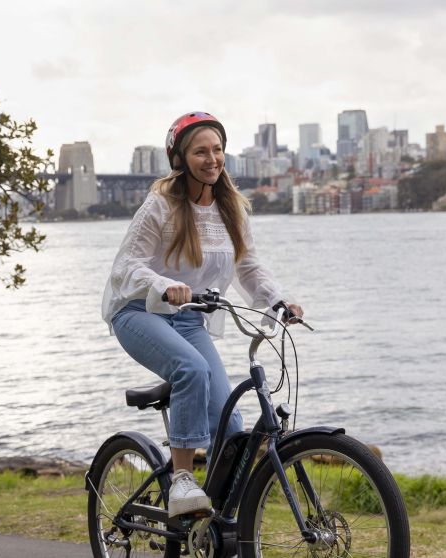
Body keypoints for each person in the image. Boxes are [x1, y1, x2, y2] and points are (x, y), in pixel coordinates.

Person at [102, 112, 304, 517]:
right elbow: (126, 266)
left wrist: (277, 300)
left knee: (230, 428)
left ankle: (214, 525)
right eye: (200, 151)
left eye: (217, 150)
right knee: (191, 368)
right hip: (139, 311)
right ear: (179, 157)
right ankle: (181, 480)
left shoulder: (232, 209)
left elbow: (248, 268)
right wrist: (163, 285)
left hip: (190, 318)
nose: (211, 159)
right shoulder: (160, 205)